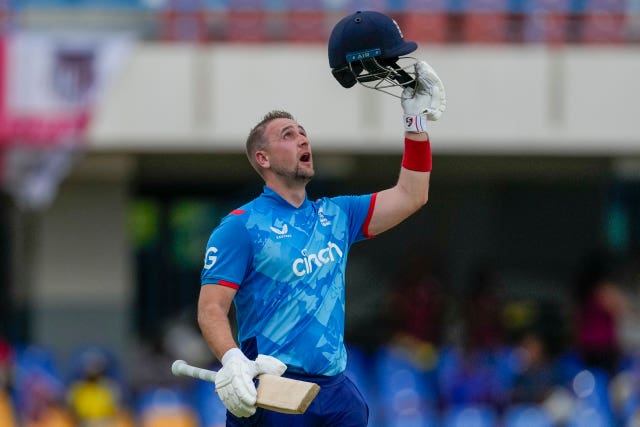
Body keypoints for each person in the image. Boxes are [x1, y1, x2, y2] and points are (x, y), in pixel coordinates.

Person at [197, 10, 446, 426]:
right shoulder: (241, 226)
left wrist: (414, 123)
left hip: (335, 390)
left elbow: (412, 194)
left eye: (302, 131)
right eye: (287, 135)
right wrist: (233, 361)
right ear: (263, 158)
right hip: (274, 389)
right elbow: (210, 310)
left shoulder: (336, 214)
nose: (302, 137)